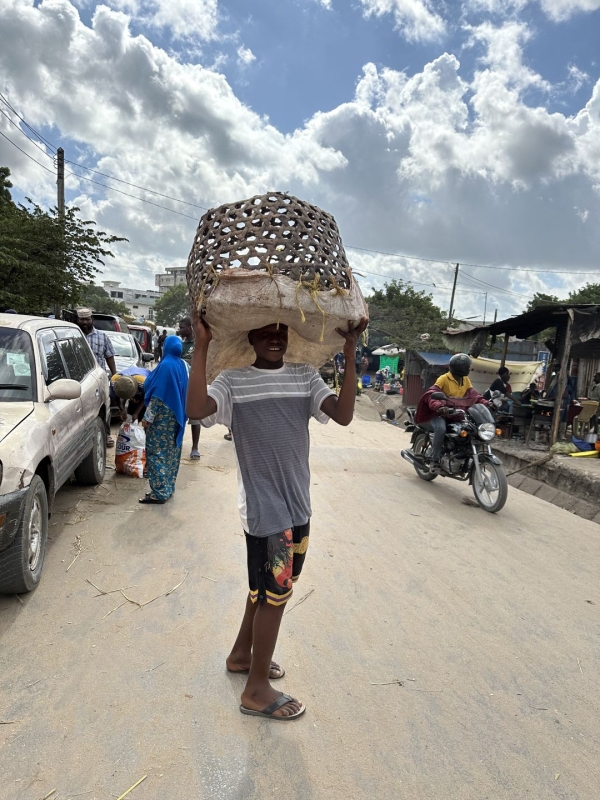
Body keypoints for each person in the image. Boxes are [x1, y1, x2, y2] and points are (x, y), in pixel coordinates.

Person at [186, 315, 369, 720]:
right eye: (265, 331)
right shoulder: (232, 381)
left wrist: (350, 355)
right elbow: (196, 410)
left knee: (265, 591)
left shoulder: (305, 377)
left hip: (297, 505)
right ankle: (255, 690)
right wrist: (201, 346)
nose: (274, 338)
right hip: (264, 509)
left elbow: (342, 415)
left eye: (280, 331)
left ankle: (241, 657)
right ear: (249, 335)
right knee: (275, 596)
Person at [139, 336, 189, 505]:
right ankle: (168, 487)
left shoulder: (166, 365)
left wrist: (147, 418)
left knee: (156, 453)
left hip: (162, 417)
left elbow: (158, 396)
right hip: (177, 415)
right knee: (171, 454)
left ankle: (159, 493)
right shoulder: (182, 365)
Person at [416, 353, 486, 471]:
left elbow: (473, 395)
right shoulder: (444, 378)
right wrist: (439, 406)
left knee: (471, 430)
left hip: (455, 414)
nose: (469, 368)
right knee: (441, 428)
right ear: (461, 367)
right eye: (467, 366)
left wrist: (486, 403)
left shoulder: (465, 380)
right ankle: (435, 460)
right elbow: (432, 394)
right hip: (439, 414)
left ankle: (463, 456)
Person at [77, 308, 117, 446]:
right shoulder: (74, 336)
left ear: (92, 320)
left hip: (98, 380)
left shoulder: (102, 337)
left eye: (87, 319)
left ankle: (106, 435)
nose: (85, 322)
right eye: (82, 319)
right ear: (78, 320)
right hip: (78, 381)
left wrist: (114, 375)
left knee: (103, 408)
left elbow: (109, 356)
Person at [178, 316, 201, 460]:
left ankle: (195, 447)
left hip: (193, 385)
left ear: (190, 328)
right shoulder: (180, 344)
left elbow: (196, 362)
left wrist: (180, 362)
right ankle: (177, 443)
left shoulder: (197, 344)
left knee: (195, 418)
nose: (180, 330)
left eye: (182, 327)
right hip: (180, 384)